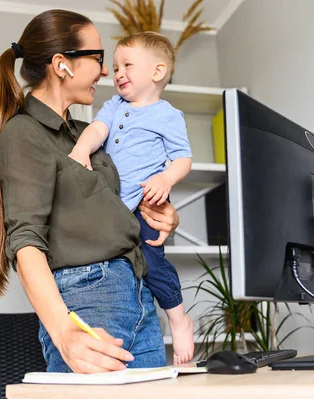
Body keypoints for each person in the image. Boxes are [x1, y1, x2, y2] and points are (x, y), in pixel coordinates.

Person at [0, 9, 181, 374]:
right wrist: (63, 330)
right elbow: (25, 241)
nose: (105, 72)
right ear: (62, 65)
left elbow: (123, 202)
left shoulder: (91, 134)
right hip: (90, 301)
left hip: (141, 296)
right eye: (98, 59)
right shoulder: (24, 133)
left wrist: (167, 214)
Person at [68, 32, 194, 364]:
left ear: (157, 72)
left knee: (153, 263)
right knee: (123, 265)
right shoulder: (114, 106)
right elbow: (97, 129)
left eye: (127, 65)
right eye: (115, 66)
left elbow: (182, 158)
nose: (118, 73)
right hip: (110, 208)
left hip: (143, 205)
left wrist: (166, 178)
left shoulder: (168, 116)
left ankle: (179, 319)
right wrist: (81, 147)